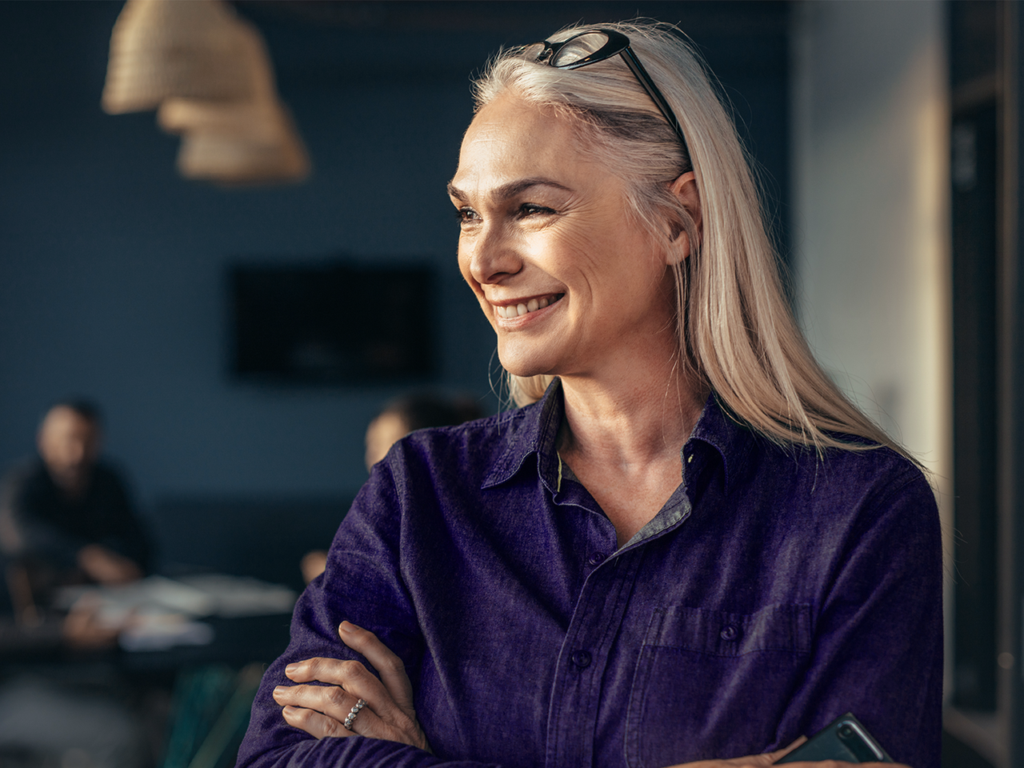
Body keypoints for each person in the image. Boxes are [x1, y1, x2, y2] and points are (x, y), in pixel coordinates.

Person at [237, 20, 942, 768]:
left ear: (678, 220)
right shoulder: (419, 495)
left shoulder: (860, 510)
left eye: (531, 209)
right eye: (468, 214)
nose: (482, 260)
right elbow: (277, 759)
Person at [301, 392, 484, 585]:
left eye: (384, 444)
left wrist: (333, 577)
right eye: (371, 446)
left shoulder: (444, 519)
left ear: (426, 448)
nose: (374, 458)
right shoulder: (385, 512)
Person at [0, 400, 151, 609]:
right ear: (43, 440)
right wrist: (86, 558)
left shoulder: (109, 481)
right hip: (36, 609)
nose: (78, 453)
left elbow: (139, 540)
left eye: (88, 441)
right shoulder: (20, 482)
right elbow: (17, 536)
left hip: (105, 601)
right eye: (68, 440)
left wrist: (126, 566)